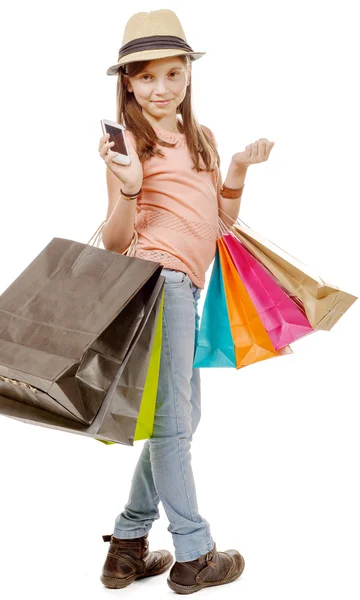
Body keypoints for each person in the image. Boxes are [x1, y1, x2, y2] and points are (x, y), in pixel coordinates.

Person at [97, 9, 274, 595]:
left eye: (173, 74)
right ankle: (195, 553)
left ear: (188, 75)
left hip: (187, 288)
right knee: (175, 424)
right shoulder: (126, 142)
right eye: (146, 78)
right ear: (127, 82)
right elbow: (119, 241)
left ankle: (127, 545)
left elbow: (220, 223)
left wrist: (240, 170)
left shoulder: (201, 139)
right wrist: (127, 185)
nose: (161, 88)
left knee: (179, 418)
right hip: (157, 283)